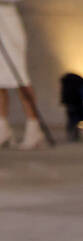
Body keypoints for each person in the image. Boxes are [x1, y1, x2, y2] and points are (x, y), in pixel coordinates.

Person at [0, 0, 45, 150]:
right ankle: (3, 128)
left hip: (8, 20)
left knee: (20, 76)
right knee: (0, 78)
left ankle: (33, 127)